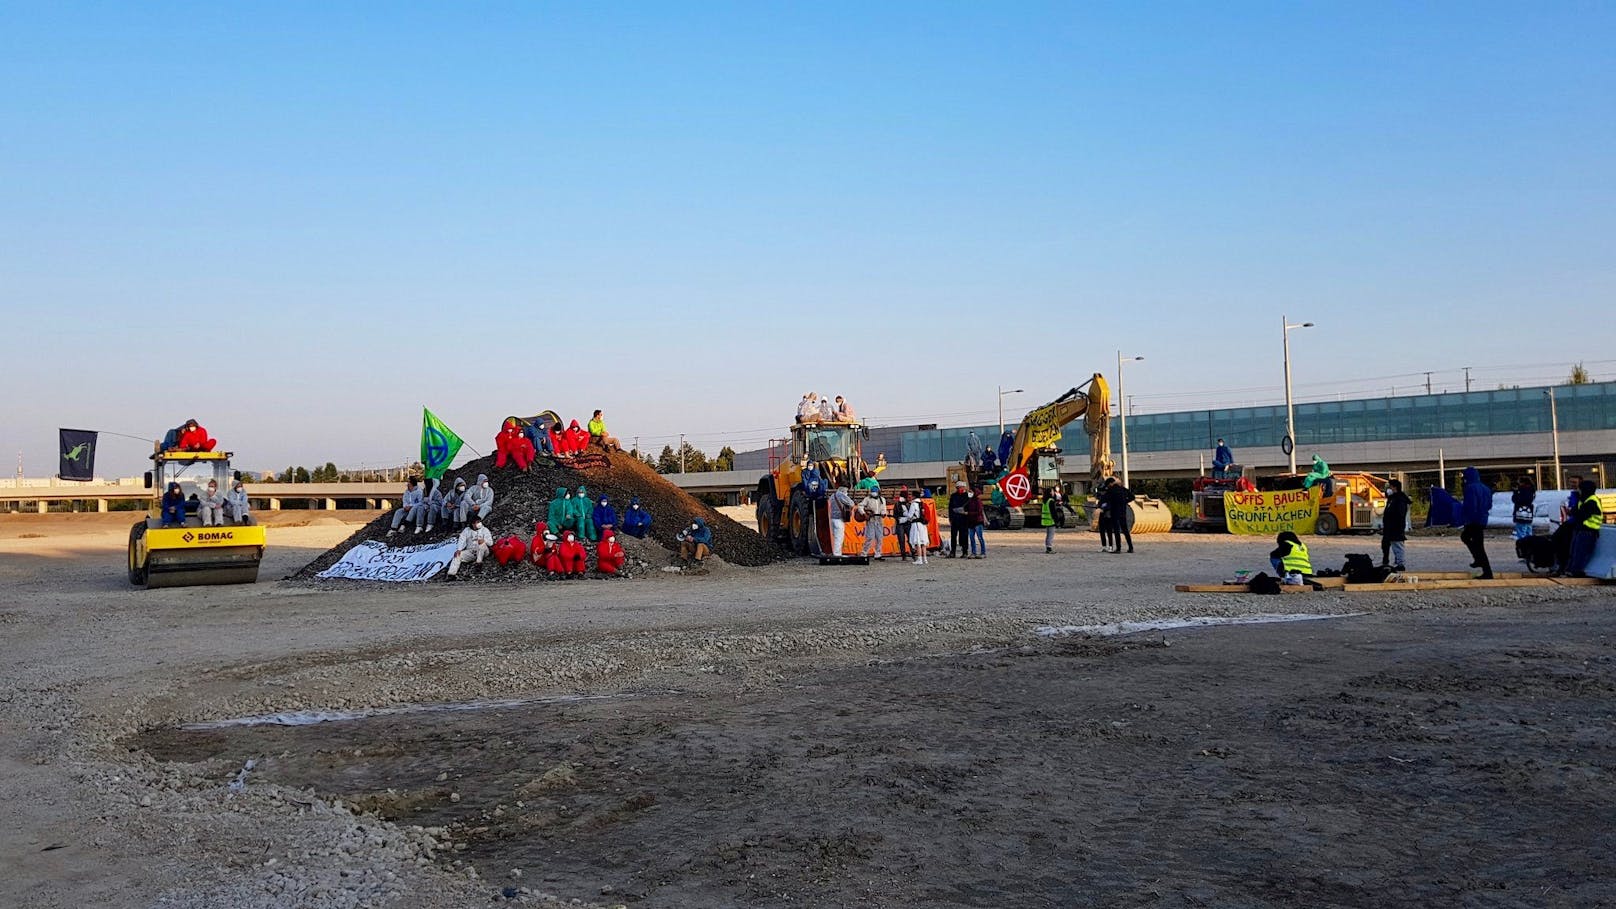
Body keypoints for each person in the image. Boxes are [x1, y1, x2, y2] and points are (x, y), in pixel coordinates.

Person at [1460, 466, 1494, 579]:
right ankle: (1479, 561)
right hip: (1483, 518)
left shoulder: (1470, 488)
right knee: (1474, 541)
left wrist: (1466, 518)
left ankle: (1485, 569)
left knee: (1471, 541)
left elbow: (1470, 505)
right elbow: (1489, 504)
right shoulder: (1485, 488)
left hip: (1473, 519)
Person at [1565, 479, 1603, 577]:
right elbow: (1576, 511)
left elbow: (1581, 514)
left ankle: (1574, 571)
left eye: (1580, 489)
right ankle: (1572, 570)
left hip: (1588, 530)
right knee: (1576, 551)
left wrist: (1571, 512)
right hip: (1582, 530)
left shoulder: (1591, 501)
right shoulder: (1584, 500)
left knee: (1580, 552)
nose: (1578, 491)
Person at [446, 514, 494, 579]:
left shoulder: (485, 530)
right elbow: (462, 539)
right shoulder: (467, 530)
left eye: (479, 522)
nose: (478, 523)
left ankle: (479, 563)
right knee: (457, 555)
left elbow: (491, 543)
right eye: (477, 522)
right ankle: (451, 574)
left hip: (483, 551)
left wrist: (484, 541)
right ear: (472, 523)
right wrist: (459, 549)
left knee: (480, 544)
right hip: (471, 551)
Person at [1380, 478, 1411, 571]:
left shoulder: (1400, 499)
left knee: (1397, 545)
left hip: (1396, 527)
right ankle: (1388, 562)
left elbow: (1399, 514)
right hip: (1389, 527)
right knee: (1387, 544)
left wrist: (1395, 525)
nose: (1387, 490)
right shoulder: (1392, 499)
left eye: (1389, 487)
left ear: (1394, 487)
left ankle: (1400, 563)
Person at [1103, 476, 1137, 553]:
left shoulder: (1110, 491)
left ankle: (1118, 548)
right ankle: (1130, 547)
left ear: (1110, 483)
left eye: (1108, 485)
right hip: (1123, 512)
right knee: (1125, 530)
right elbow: (1132, 497)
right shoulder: (1123, 489)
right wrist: (1125, 501)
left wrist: (1103, 507)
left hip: (1114, 512)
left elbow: (1107, 502)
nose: (1108, 486)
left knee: (1117, 531)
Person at [860, 486, 888, 560]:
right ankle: (864, 553)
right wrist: (864, 514)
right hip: (871, 520)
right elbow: (860, 506)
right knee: (869, 537)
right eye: (872, 491)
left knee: (879, 538)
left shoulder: (882, 499)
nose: (873, 493)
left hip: (879, 520)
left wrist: (883, 513)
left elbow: (883, 508)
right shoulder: (867, 499)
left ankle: (878, 554)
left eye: (875, 491)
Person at [828, 485, 855, 556]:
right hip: (839, 519)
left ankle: (837, 553)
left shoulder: (832, 496)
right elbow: (851, 503)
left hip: (832, 518)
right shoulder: (841, 495)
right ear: (844, 491)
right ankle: (837, 554)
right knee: (839, 537)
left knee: (835, 536)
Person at [947, 481, 971, 558]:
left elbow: (970, 507)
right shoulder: (953, 496)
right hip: (955, 519)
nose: (959, 489)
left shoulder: (968, 496)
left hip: (964, 519)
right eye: (958, 487)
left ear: (964, 487)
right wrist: (950, 518)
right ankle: (952, 552)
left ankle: (965, 551)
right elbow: (950, 508)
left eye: (961, 487)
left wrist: (967, 513)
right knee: (953, 536)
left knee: (964, 536)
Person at [904, 493, 929, 564]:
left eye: (911, 496)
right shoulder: (922, 503)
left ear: (914, 496)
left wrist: (905, 514)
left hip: (916, 524)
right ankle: (925, 559)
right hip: (923, 525)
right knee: (923, 541)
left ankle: (919, 559)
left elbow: (910, 515)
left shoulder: (913, 504)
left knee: (917, 542)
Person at [1511, 477, 1536, 542]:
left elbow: (1516, 499)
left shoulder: (1522, 490)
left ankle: (1523, 545)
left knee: (1521, 531)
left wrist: (1515, 492)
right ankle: (1529, 545)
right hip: (1528, 513)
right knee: (1528, 530)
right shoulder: (1531, 490)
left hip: (1520, 513)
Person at [894, 489, 915, 561]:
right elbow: (895, 515)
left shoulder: (909, 503)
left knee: (909, 539)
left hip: (907, 523)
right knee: (902, 540)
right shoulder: (898, 504)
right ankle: (904, 555)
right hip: (901, 524)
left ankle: (912, 553)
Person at [1096, 480, 1117, 553]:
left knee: (1109, 531)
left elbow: (1109, 504)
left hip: (1108, 515)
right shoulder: (1101, 497)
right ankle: (1104, 546)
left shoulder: (1109, 495)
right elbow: (1099, 504)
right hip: (1101, 515)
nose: (1101, 493)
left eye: (1102, 491)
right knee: (1102, 531)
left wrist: (1104, 508)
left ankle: (1110, 546)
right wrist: (1099, 507)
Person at [966, 487, 986, 558]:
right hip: (971, 522)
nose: (969, 493)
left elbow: (979, 512)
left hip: (978, 521)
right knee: (971, 538)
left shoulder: (978, 501)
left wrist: (969, 513)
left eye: (971, 492)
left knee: (980, 537)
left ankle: (983, 553)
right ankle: (973, 552)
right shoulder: (969, 501)